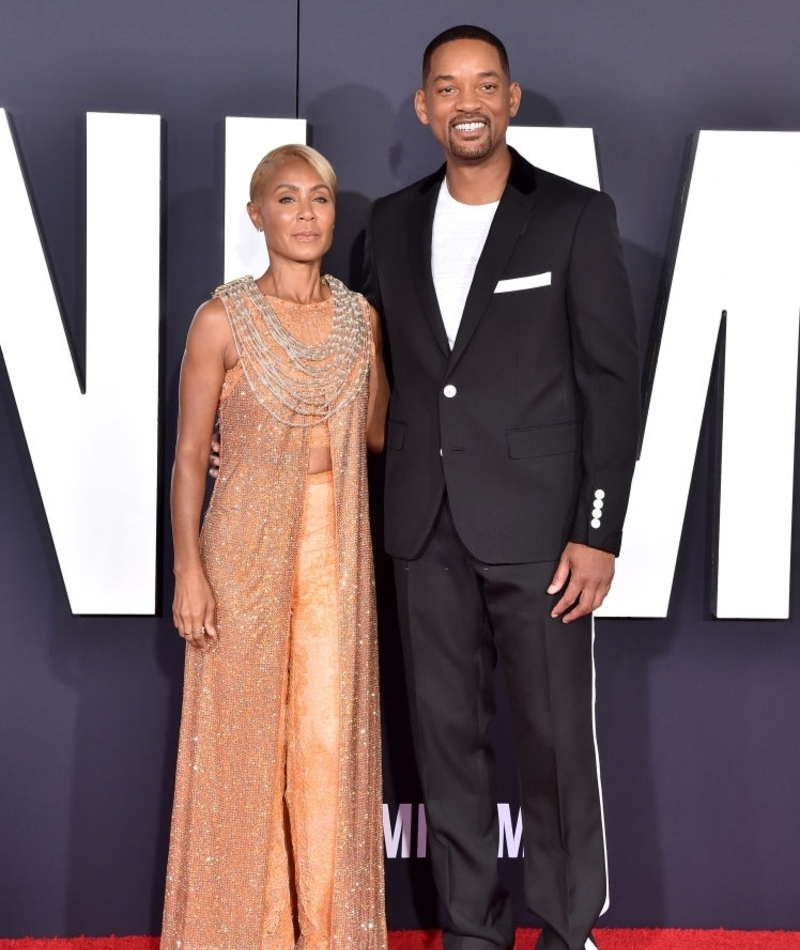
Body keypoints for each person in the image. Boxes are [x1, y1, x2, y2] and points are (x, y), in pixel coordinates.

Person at [362, 25, 641, 950]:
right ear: (424, 107)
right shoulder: (390, 223)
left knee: (557, 745)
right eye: (447, 87)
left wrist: (597, 528)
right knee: (447, 750)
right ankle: (471, 934)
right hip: (421, 527)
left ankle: (567, 930)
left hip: (542, 533)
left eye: (486, 85)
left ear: (512, 99)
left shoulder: (572, 217)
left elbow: (610, 382)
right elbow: (377, 377)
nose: (467, 103)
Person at [161, 144, 389, 950]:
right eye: (285, 199)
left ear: (334, 213)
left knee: (326, 743)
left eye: (319, 198)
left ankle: (332, 934)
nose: (305, 214)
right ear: (255, 215)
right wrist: (188, 565)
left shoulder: (361, 319)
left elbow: (376, 432)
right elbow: (191, 454)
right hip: (242, 546)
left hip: (335, 550)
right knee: (240, 746)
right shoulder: (220, 318)